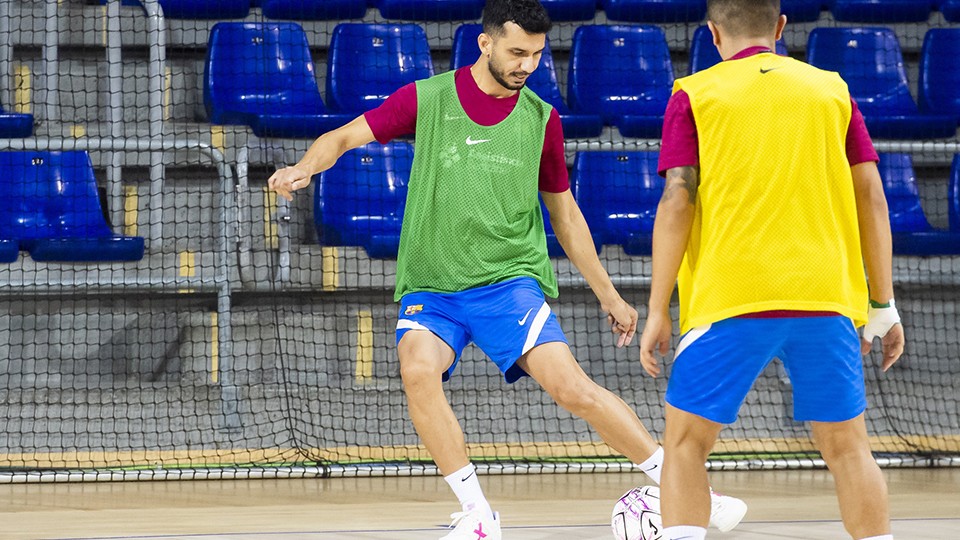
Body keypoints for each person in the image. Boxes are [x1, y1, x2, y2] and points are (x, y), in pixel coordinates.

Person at [269, 1, 746, 538]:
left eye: (538, 55)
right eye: (518, 52)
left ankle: (683, 487)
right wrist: (304, 166)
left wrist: (609, 295)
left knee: (572, 389)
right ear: (486, 43)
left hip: (507, 283)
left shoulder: (541, 119)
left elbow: (565, 214)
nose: (528, 65)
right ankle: (477, 515)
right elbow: (341, 138)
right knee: (417, 370)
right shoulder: (428, 99)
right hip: (433, 283)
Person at [637, 1, 907, 539]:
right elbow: (872, 197)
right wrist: (883, 302)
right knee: (850, 449)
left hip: (730, 297)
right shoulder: (831, 89)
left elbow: (677, 200)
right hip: (824, 296)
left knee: (686, 447)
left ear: (712, 33)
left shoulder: (694, 93)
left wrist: (656, 309)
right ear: (781, 27)